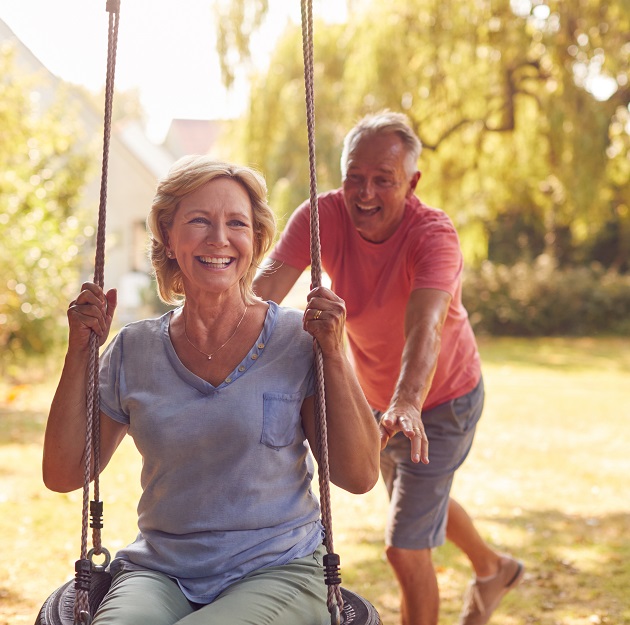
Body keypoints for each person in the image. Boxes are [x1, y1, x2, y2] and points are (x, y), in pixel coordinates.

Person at [42, 156, 381, 625]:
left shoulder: (298, 340)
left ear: (257, 239)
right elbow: (63, 473)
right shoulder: (133, 350)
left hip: (278, 569)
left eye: (236, 223)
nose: (218, 238)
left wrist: (335, 355)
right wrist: (79, 351)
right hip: (160, 571)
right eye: (198, 220)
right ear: (168, 235)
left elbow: (360, 475)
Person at [253, 111, 524, 625]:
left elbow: (427, 326)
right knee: (417, 502)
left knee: (404, 546)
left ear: (412, 183)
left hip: (441, 401)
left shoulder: (433, 236)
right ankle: (494, 569)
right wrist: (215, 335)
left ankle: (489, 573)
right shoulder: (322, 216)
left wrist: (406, 402)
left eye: (383, 180)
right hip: (376, 401)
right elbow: (265, 291)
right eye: (355, 178)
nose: (366, 193)